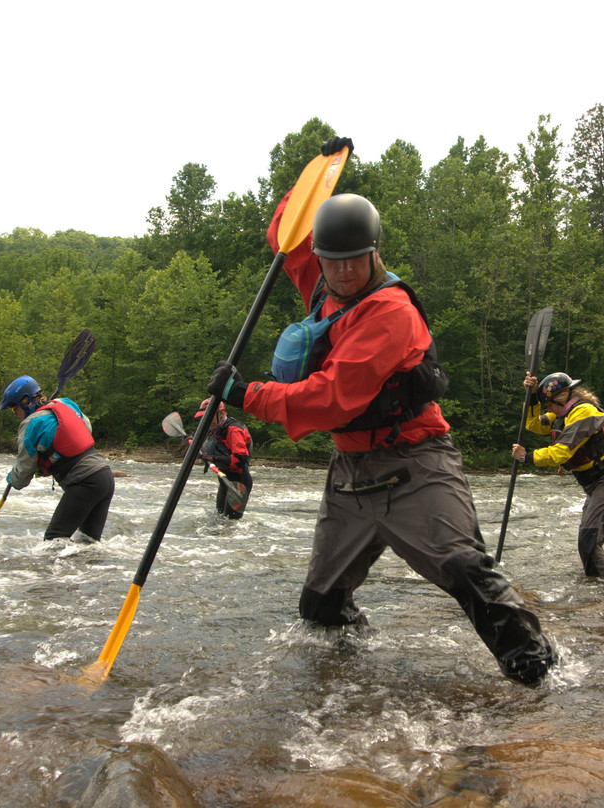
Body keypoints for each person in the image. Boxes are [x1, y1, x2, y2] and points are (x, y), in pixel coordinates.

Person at [205, 136, 556, 686]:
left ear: (375, 254)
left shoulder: (390, 313)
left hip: (415, 466)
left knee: (464, 568)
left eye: (354, 261)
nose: (343, 273)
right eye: (332, 262)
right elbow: (283, 233)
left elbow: (330, 397)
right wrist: (318, 173)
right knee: (320, 607)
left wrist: (248, 396)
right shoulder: (322, 283)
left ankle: (541, 676)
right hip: (349, 477)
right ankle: (355, 684)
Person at [511, 371, 604, 579]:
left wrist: (526, 458)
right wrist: (530, 396)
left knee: (589, 540)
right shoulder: (562, 414)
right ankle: (597, 586)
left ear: (559, 399)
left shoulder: (583, 412)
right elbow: (533, 424)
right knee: (587, 541)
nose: (547, 410)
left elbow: (561, 453)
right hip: (595, 486)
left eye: (547, 405)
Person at [0, 375, 114, 541]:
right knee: (88, 544)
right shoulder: (65, 403)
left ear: (25, 401)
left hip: (84, 483)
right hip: (104, 477)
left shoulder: (30, 424)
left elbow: (22, 475)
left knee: (54, 541)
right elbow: (86, 428)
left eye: (14, 408)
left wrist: (11, 478)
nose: (15, 413)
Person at [196, 397, 253, 519]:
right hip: (225, 481)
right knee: (220, 518)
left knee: (230, 523)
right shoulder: (215, 430)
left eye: (209, 416)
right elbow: (210, 450)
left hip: (239, 483)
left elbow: (240, 460)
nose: (205, 420)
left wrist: (214, 458)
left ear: (221, 414)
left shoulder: (234, 429)